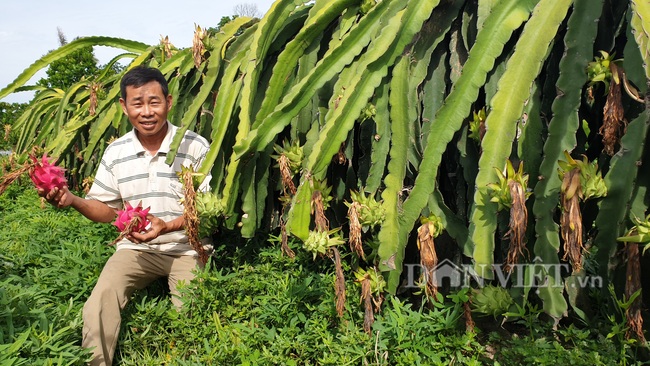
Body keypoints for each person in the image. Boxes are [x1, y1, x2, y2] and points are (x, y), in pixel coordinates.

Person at [39, 65, 211, 366]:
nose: (147, 111)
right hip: (136, 249)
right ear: (123, 106)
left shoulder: (195, 146)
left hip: (187, 248)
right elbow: (107, 210)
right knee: (99, 303)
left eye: (154, 102)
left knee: (192, 314)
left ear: (169, 102)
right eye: (137, 103)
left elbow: (210, 207)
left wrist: (168, 225)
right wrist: (73, 199)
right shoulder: (116, 152)